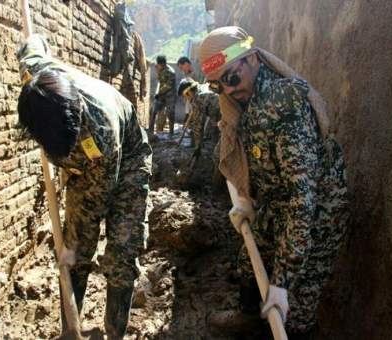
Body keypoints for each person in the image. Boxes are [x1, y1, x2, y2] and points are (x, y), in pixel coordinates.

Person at [199, 26, 348, 338]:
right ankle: (249, 319)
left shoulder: (284, 103)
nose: (227, 91)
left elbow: (302, 198)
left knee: (294, 307)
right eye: (217, 86)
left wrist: (281, 282)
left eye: (231, 78)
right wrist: (246, 201)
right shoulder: (245, 100)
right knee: (248, 263)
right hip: (278, 203)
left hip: (316, 215)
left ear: (252, 59)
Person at [16, 34, 152, 340]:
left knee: (121, 253)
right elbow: (33, 47)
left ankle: (114, 332)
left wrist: (75, 244)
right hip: (84, 168)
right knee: (74, 254)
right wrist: (33, 41)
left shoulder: (100, 130)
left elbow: (96, 201)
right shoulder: (36, 79)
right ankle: (71, 331)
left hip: (127, 159)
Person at [149, 55, 176, 136]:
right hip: (161, 95)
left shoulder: (170, 72)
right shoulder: (159, 68)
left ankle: (171, 132)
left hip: (170, 95)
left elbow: (168, 86)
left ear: (164, 64)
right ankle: (150, 131)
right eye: (159, 65)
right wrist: (158, 71)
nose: (159, 66)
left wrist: (159, 93)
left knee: (170, 113)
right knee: (153, 111)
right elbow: (159, 81)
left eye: (161, 65)